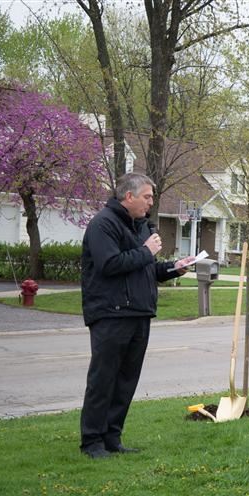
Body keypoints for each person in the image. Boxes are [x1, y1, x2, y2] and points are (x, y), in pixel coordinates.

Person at [80, 173, 195, 459]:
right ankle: (91, 442)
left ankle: (112, 438)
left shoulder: (141, 227)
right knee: (103, 379)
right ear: (128, 196)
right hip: (110, 313)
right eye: (147, 197)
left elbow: (145, 269)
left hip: (139, 313)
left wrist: (173, 268)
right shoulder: (103, 224)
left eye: (152, 197)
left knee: (126, 381)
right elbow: (110, 264)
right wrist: (146, 251)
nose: (151, 202)